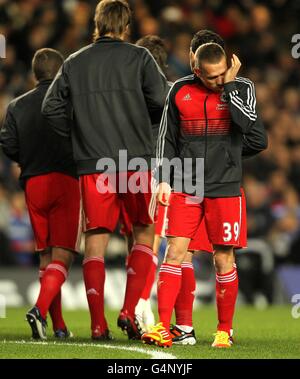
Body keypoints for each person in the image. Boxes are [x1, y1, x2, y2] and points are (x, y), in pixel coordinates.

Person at [42, 0, 168, 340]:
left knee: (94, 242)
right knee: (143, 232)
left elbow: (50, 108)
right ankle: (128, 310)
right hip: (135, 160)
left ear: (96, 24)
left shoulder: (74, 62)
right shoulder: (140, 58)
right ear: (126, 26)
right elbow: (163, 102)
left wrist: (77, 137)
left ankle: (98, 325)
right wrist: (143, 123)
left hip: (93, 163)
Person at [142, 42, 267, 348]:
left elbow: (247, 125)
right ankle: (162, 326)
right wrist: (163, 179)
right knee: (174, 252)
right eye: (211, 77)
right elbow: (166, 138)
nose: (218, 81)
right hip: (187, 185)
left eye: (222, 73)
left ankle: (224, 330)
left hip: (225, 187)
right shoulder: (179, 91)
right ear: (196, 71)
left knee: (224, 258)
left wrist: (231, 86)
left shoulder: (241, 87)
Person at [0, 48, 81, 340]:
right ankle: (39, 309)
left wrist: (27, 159)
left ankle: (57, 326)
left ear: (35, 74)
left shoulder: (18, 105)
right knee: (64, 256)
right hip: (65, 181)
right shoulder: (70, 103)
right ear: (62, 73)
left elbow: (7, 144)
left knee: (46, 257)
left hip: (33, 183)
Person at [119, 35, 170, 336]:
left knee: (133, 243)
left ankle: (133, 304)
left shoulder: (127, 88)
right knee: (150, 240)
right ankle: (140, 303)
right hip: (152, 169)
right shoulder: (164, 91)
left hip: (121, 169)